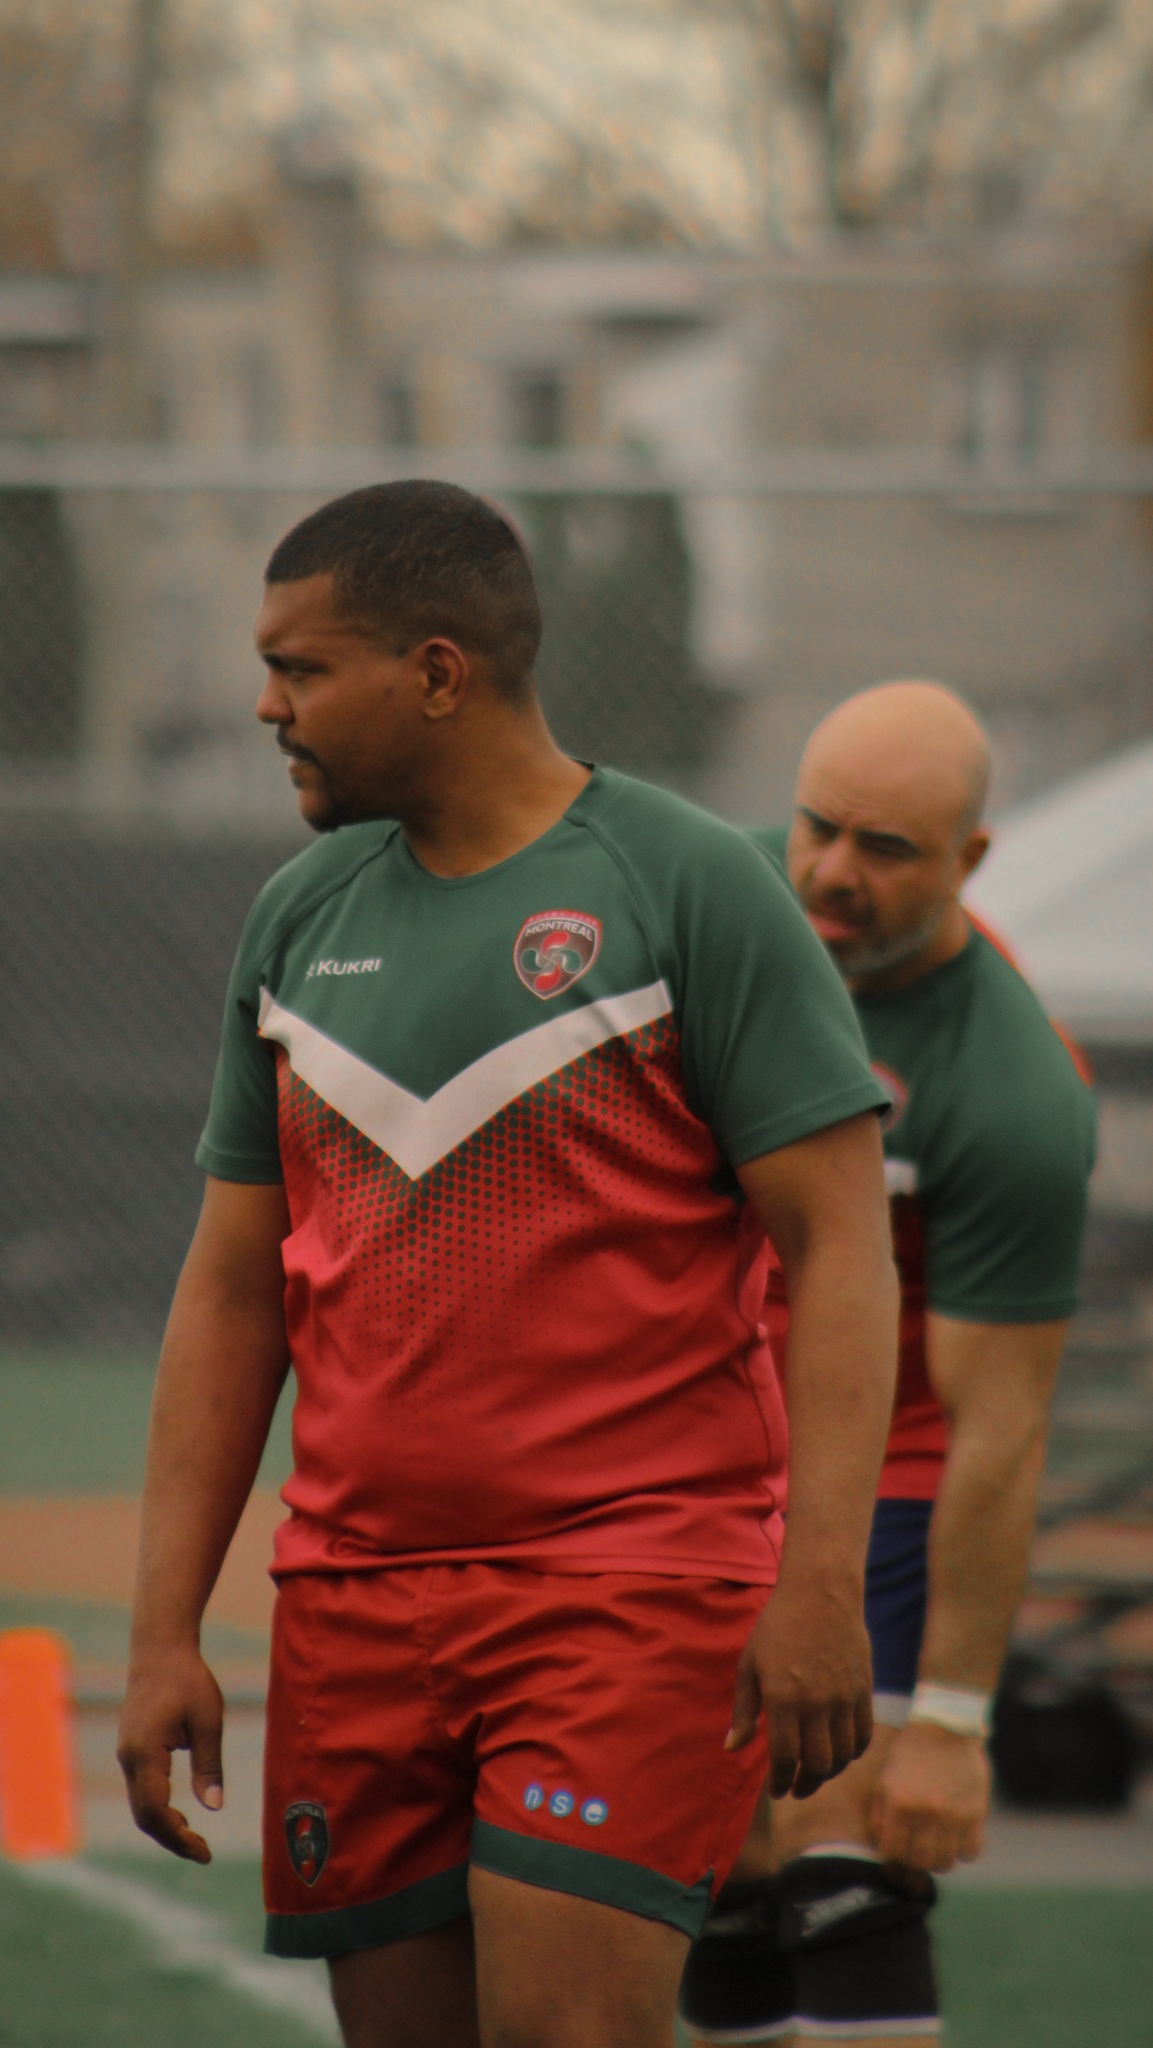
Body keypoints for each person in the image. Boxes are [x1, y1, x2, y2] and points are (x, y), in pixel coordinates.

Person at [117, 480, 900, 2048]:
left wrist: (818, 1581)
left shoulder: (684, 885)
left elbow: (841, 1244)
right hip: (352, 1603)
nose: (267, 706)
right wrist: (161, 1634)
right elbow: (227, 1294)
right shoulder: (295, 920)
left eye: (303, 667)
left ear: (435, 671)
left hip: (626, 1587)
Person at [680, 682, 1096, 2048]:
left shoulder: (1012, 1088)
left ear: (972, 861)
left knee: (837, 1863)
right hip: (693, 1467)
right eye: (816, 830)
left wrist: (955, 1723)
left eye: (886, 851)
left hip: (885, 1490)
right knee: (717, 1875)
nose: (831, 876)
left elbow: (998, 1428)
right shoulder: (704, 900)